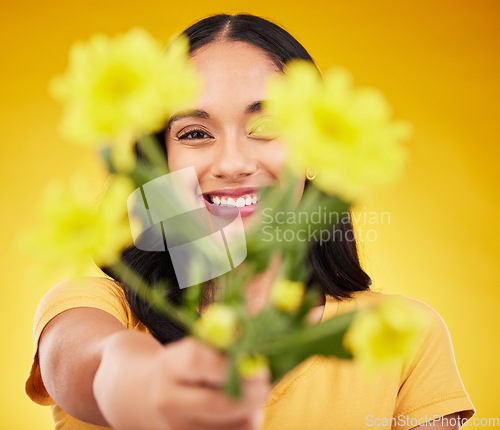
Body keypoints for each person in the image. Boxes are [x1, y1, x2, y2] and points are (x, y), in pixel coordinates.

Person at [26, 14, 475, 430]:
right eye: (195, 133)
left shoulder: (402, 335)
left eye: (266, 126)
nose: (234, 162)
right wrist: (150, 384)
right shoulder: (97, 309)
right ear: (159, 160)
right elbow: (93, 362)